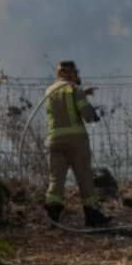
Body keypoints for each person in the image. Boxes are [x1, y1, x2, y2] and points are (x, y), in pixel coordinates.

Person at [43, 61, 112, 228]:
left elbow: (62, 109)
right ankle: (92, 215)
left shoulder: (49, 91)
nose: (77, 75)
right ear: (69, 73)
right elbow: (87, 116)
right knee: (84, 177)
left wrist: (82, 93)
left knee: (56, 178)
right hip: (76, 141)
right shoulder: (74, 90)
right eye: (75, 72)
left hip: (55, 141)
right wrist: (92, 112)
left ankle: (52, 216)